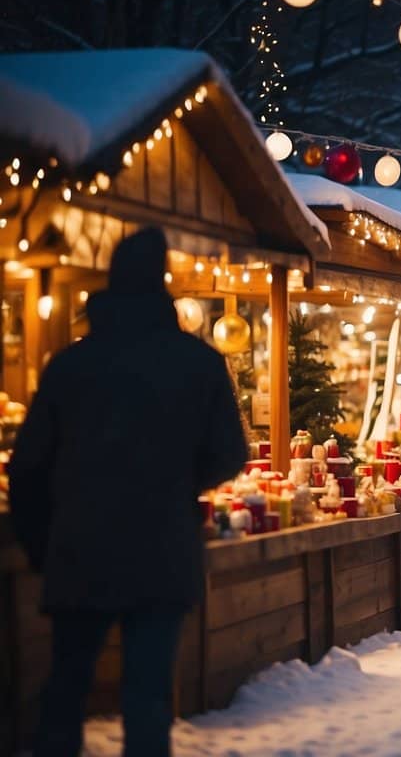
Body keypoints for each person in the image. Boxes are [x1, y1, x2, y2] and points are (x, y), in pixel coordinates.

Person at [7, 228, 249, 756]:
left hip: (79, 548)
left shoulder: (71, 365)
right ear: (160, 282)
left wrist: (42, 544)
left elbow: (26, 469)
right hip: (160, 550)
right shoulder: (198, 363)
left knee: (66, 690)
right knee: (147, 699)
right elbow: (230, 454)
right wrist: (180, 481)